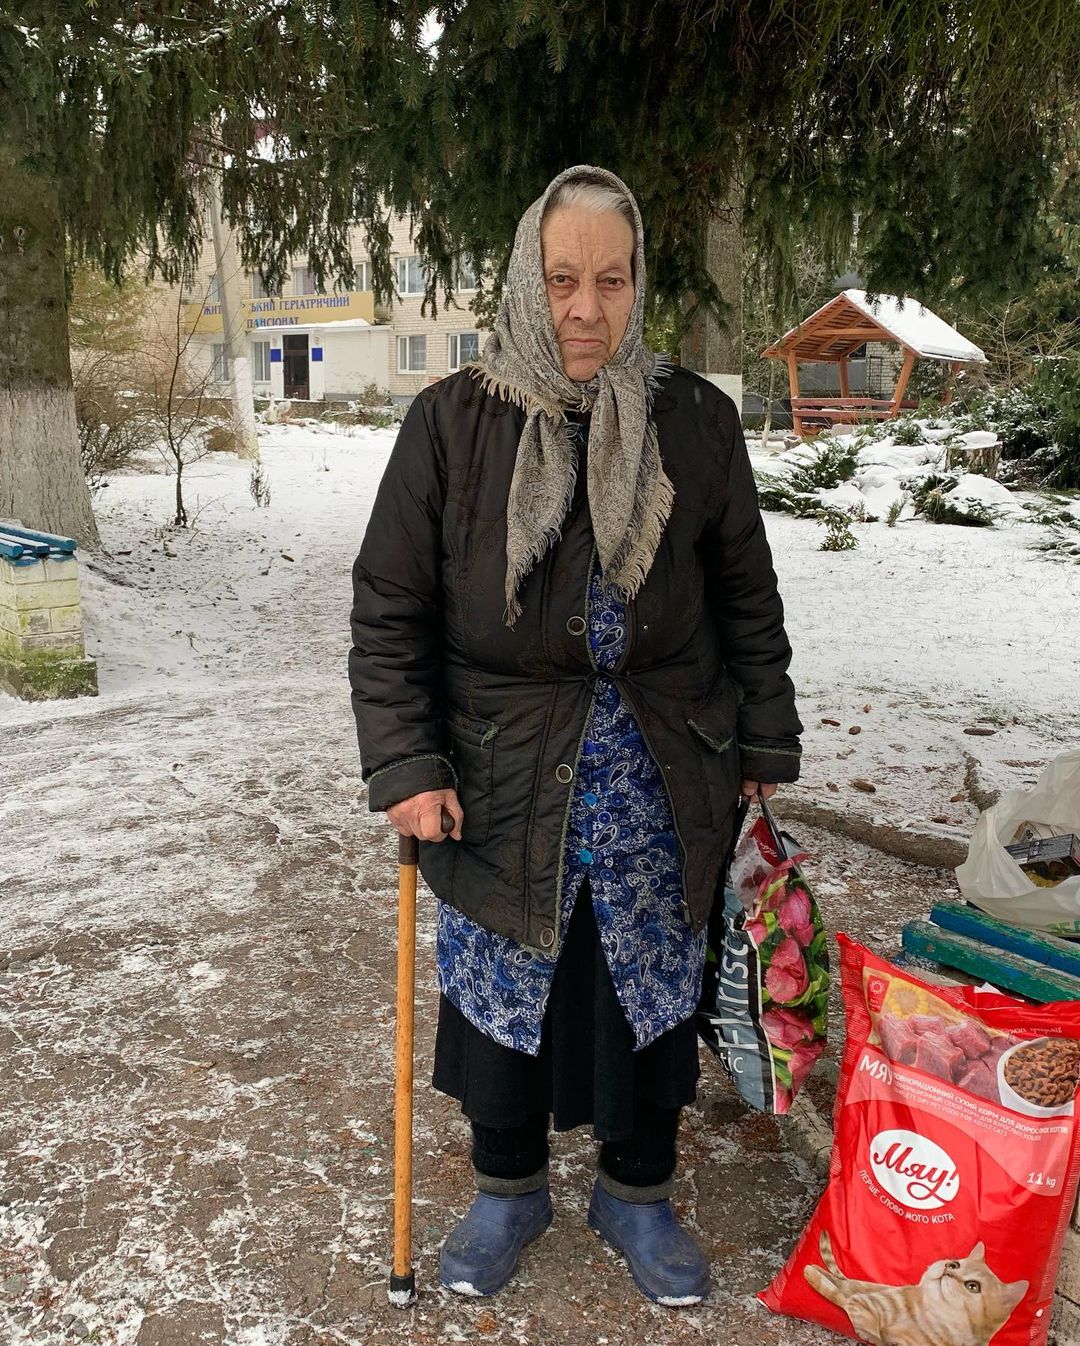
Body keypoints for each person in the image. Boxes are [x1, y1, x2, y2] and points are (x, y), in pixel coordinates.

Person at [348, 164, 802, 1306]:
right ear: (525, 280)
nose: (586, 309)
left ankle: (636, 1191)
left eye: (611, 279)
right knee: (507, 988)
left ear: (638, 282)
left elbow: (746, 598)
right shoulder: (452, 421)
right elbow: (392, 606)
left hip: (661, 763)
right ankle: (507, 1189)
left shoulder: (694, 420)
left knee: (648, 986)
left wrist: (763, 745)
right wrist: (407, 763)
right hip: (501, 766)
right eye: (562, 280)